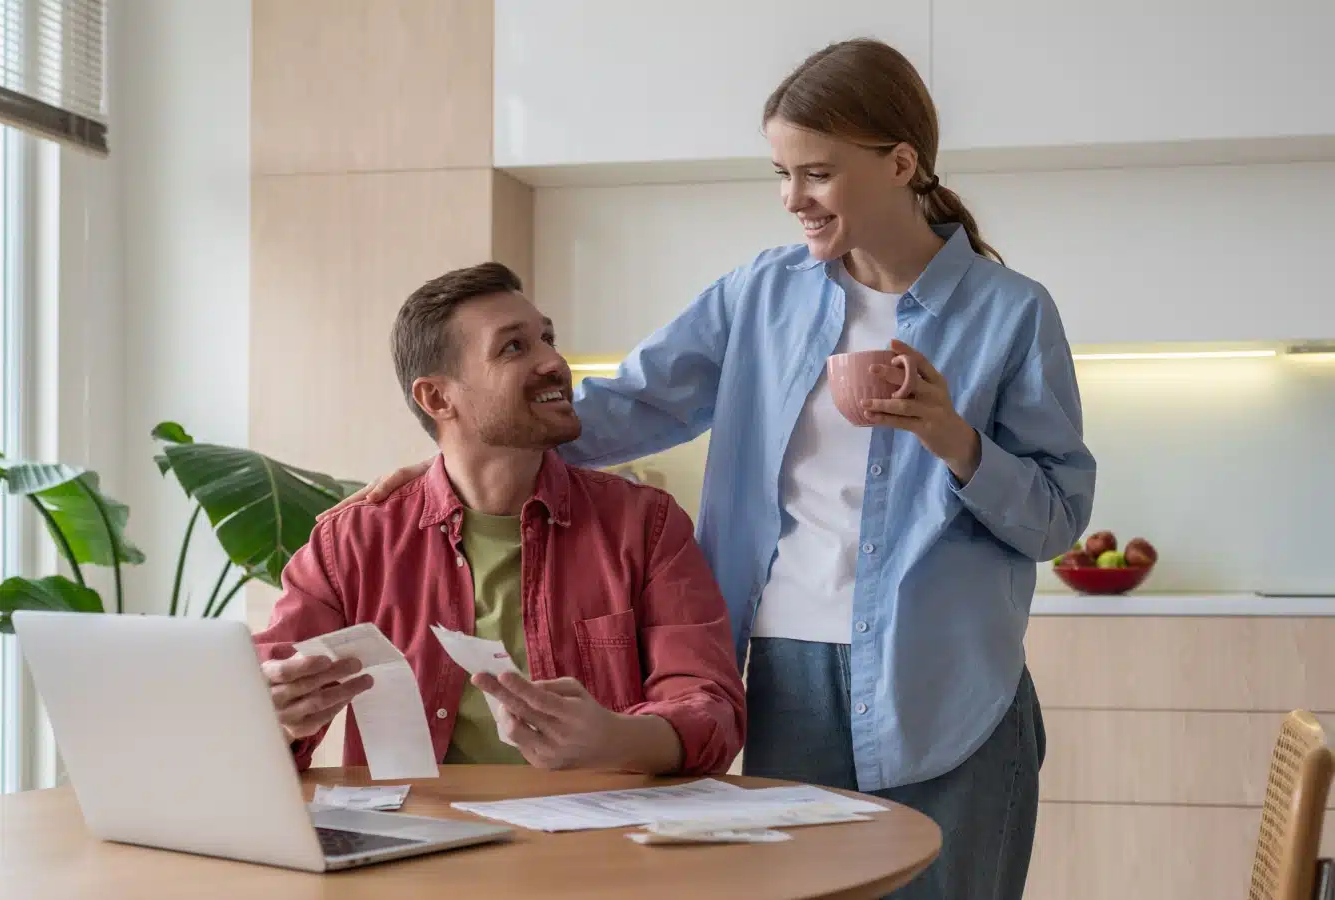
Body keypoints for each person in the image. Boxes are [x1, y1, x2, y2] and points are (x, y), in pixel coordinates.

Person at [332, 38, 1095, 899]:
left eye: (816, 173)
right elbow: (623, 406)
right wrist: (457, 452)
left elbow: (1057, 519)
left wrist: (954, 438)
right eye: (781, 174)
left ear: (900, 163)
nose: (792, 198)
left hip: (950, 682)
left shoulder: (1011, 313)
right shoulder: (760, 293)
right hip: (786, 673)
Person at [255, 262, 746, 777]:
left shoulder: (646, 526)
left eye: (548, 339)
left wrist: (616, 739)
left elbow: (711, 708)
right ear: (437, 398)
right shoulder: (352, 543)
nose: (554, 362)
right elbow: (259, 701)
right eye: (514, 347)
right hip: (417, 825)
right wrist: (280, 718)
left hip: (594, 826)